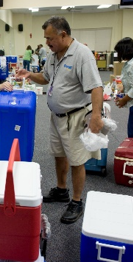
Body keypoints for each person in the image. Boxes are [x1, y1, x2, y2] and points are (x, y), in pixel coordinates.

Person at [14, 16, 103, 224]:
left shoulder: (82, 54)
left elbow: (96, 87)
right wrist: (29, 74)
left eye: (50, 38)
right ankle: (62, 189)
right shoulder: (54, 55)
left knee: (77, 160)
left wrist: (96, 116)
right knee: (59, 154)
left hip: (75, 116)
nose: (46, 43)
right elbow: (46, 78)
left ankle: (77, 201)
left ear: (63, 35)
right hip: (56, 117)